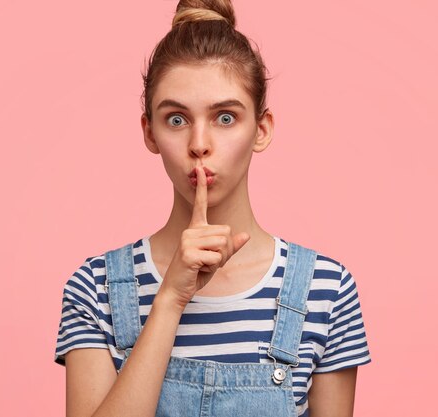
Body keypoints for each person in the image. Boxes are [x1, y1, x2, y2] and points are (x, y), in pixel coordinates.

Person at [54, 1, 371, 416]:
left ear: (261, 129)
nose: (199, 143)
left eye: (224, 117)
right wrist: (171, 297)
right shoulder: (96, 290)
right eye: (176, 119)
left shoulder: (325, 291)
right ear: (149, 132)